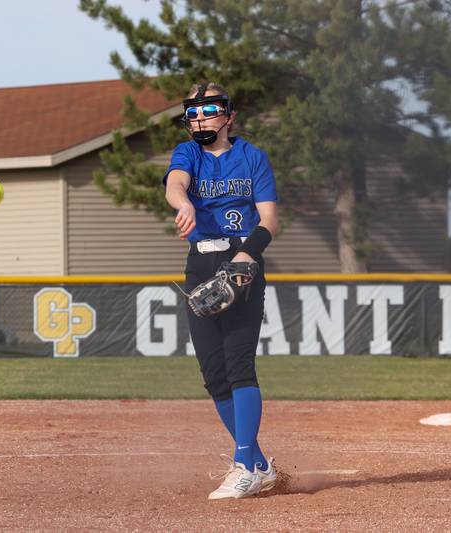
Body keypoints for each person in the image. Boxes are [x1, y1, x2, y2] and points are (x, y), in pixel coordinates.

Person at [163, 82, 279, 500]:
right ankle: (260, 464)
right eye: (192, 113)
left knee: (238, 363)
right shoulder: (188, 153)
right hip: (200, 263)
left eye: (208, 111)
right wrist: (185, 204)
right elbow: (176, 183)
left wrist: (249, 255)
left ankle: (244, 464)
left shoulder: (251, 158)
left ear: (228, 117)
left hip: (242, 261)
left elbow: (269, 219)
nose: (199, 120)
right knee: (213, 374)